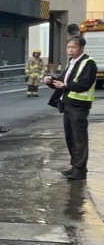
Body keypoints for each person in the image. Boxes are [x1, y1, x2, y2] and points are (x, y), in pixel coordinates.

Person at [45, 36, 97, 181]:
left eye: (73, 47)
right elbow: (63, 81)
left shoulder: (88, 63)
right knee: (71, 138)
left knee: (79, 139)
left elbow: (85, 84)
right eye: (68, 47)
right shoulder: (72, 62)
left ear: (81, 48)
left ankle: (80, 171)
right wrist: (51, 82)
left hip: (79, 106)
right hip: (68, 104)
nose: (70, 50)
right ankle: (74, 167)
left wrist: (65, 86)